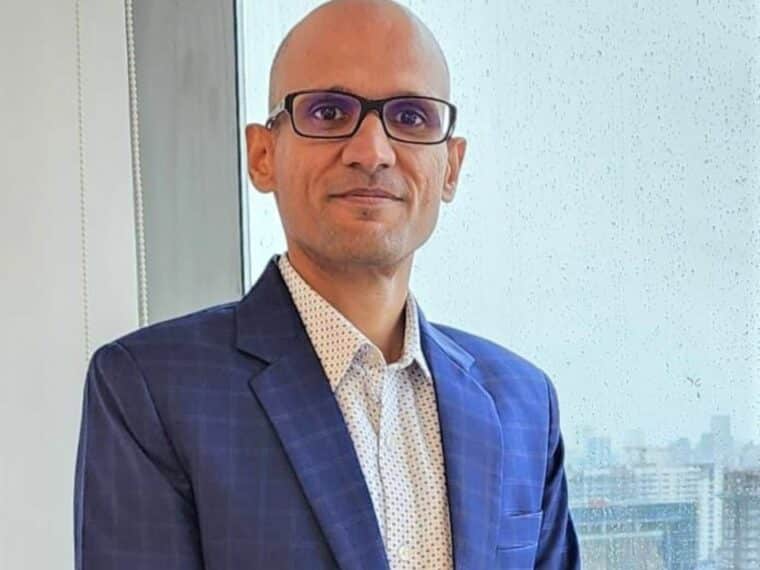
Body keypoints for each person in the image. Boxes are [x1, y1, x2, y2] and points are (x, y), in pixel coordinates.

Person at [73, 0, 581, 568]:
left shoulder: (522, 404)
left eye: (411, 117)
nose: (372, 152)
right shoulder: (153, 389)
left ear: (451, 167)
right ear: (263, 156)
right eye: (329, 112)